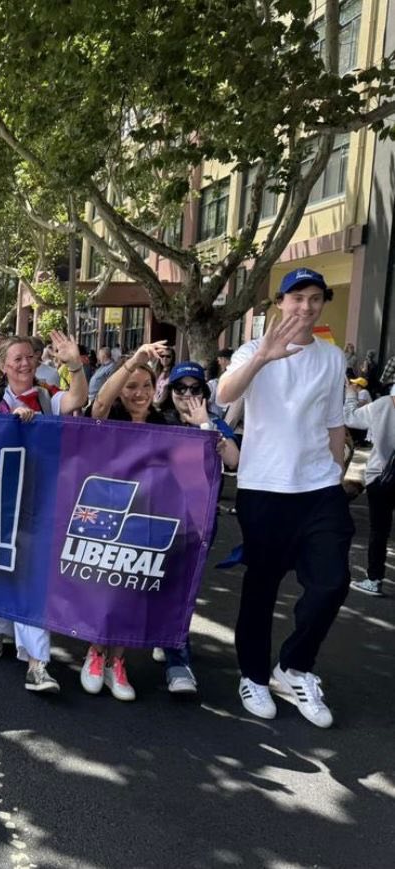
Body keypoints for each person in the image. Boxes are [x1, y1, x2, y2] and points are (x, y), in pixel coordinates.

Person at [217, 267, 352, 729]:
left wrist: (337, 474)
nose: (306, 306)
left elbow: (334, 422)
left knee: (331, 582)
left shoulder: (332, 358)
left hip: (319, 488)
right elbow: (225, 394)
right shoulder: (253, 350)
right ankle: (254, 676)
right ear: (280, 303)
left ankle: (294, 667)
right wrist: (263, 357)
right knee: (262, 587)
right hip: (264, 487)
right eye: (297, 298)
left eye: (315, 298)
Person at [0, 332, 87, 693]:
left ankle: (37, 662)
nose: (25, 363)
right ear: (3, 365)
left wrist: (75, 364)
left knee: (33, 575)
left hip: (41, 497)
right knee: (1, 565)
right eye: (17, 358)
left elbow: (78, 399)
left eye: (29, 357)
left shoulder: (46, 396)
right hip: (0, 496)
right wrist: (5, 424)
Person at [84, 341, 175, 700]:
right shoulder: (111, 419)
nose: (139, 393)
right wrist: (134, 360)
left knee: (133, 590)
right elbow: (98, 406)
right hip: (110, 514)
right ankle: (95, 653)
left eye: (146, 386)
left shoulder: (165, 423)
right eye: (131, 386)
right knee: (105, 588)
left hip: (148, 518)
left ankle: (117, 661)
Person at [149, 361, 242, 694]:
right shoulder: (158, 420)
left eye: (195, 388)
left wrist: (206, 425)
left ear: (205, 391)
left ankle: (178, 660)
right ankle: (162, 636)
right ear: (169, 390)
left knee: (182, 587)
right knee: (153, 583)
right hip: (157, 516)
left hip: (198, 520)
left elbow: (233, 459)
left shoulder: (214, 423)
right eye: (180, 388)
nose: (187, 394)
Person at [344, 379, 395, 597]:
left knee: (379, 531)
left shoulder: (384, 404)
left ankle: (374, 579)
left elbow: (350, 418)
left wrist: (351, 394)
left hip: (381, 476)